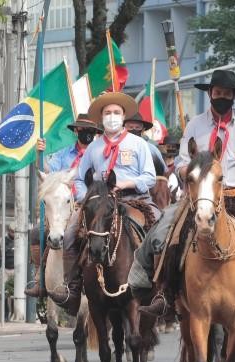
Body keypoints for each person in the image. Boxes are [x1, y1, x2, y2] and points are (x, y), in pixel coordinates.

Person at [133, 69, 235, 319]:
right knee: (165, 234)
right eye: (217, 92)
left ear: (233, 97)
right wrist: (193, 171)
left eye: (227, 94)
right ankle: (165, 292)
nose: (222, 97)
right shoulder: (195, 125)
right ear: (210, 93)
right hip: (199, 196)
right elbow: (181, 162)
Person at [53, 92, 157, 315]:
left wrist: (128, 182)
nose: (112, 116)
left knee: (161, 230)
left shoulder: (138, 144)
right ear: (101, 118)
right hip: (99, 204)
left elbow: (150, 176)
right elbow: (80, 178)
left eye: (116, 113)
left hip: (134, 200)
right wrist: (85, 197)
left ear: (123, 116)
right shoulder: (93, 148)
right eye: (108, 113)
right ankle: (72, 287)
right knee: (71, 232)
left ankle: (162, 290)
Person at [24, 114, 101, 298]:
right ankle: (40, 277)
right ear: (76, 131)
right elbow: (48, 172)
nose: (87, 134)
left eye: (91, 131)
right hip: (61, 208)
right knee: (36, 233)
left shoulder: (100, 154)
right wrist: (38, 153)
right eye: (83, 130)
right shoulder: (64, 153)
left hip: (89, 206)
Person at [0, 222, 15, 320]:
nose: (13, 233)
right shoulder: (3, 241)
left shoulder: (20, 240)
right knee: (3, 293)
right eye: (12, 231)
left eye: (15, 232)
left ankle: (14, 313)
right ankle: (6, 314)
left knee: (15, 293)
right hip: (5, 269)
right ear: (9, 231)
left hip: (16, 271)